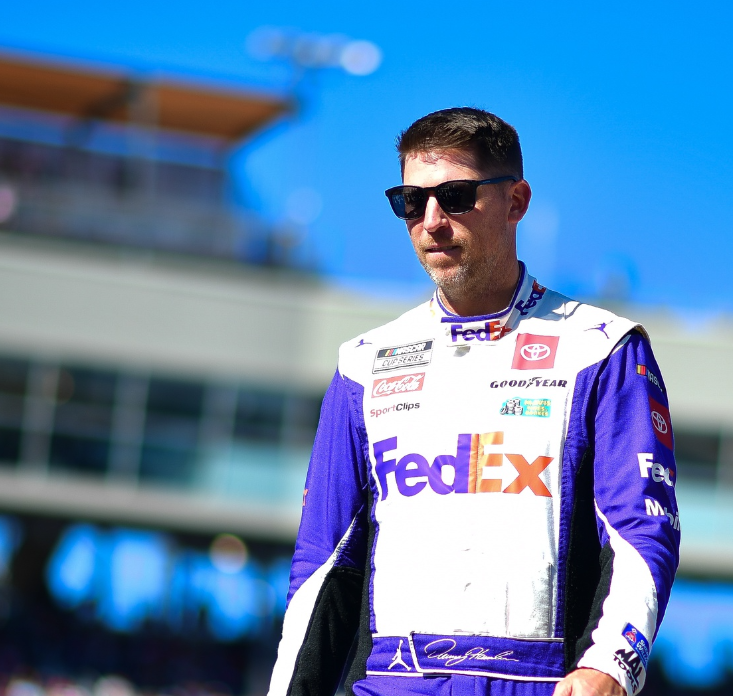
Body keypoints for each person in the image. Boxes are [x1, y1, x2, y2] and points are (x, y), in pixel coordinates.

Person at [267, 108, 680, 696]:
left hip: (540, 682)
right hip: (395, 681)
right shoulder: (364, 363)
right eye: (411, 201)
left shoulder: (601, 348)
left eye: (455, 196)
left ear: (516, 202)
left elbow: (641, 529)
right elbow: (323, 563)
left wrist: (612, 664)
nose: (431, 221)